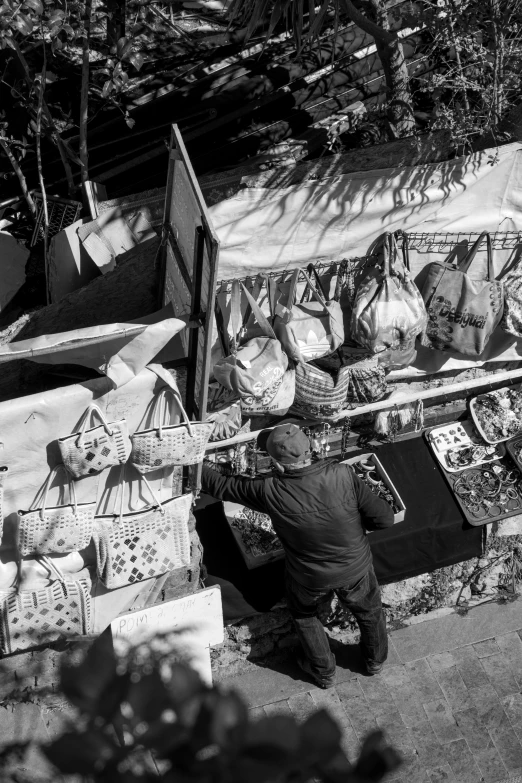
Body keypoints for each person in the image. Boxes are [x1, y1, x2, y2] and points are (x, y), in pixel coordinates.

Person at [202, 423, 394, 688]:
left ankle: (323, 671)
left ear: (278, 466)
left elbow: (221, 485)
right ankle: (375, 661)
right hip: (356, 569)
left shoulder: (269, 490)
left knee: (305, 615)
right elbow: (384, 519)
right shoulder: (343, 474)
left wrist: (192, 463)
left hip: (309, 578)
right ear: (311, 450)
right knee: (370, 613)